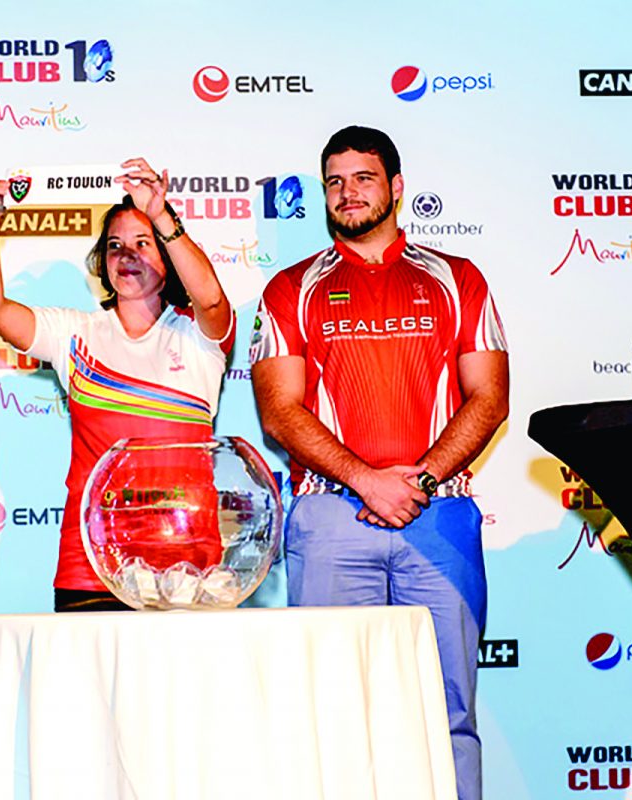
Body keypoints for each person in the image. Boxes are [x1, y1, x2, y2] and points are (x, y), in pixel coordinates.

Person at [249, 126, 508, 800]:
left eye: (363, 178)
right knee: (333, 717)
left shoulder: (458, 278)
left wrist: (418, 482)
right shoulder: (289, 288)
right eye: (334, 182)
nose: (348, 193)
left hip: (438, 514)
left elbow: (489, 398)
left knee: (448, 716)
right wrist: (366, 480)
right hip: (331, 518)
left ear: (395, 187)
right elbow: (279, 412)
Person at [0, 158, 234, 611]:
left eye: (143, 243)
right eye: (115, 246)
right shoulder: (74, 333)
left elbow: (213, 299)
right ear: (103, 261)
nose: (127, 255)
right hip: (93, 567)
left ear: (168, 256)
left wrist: (161, 214)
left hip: (187, 568)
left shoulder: (198, 336)